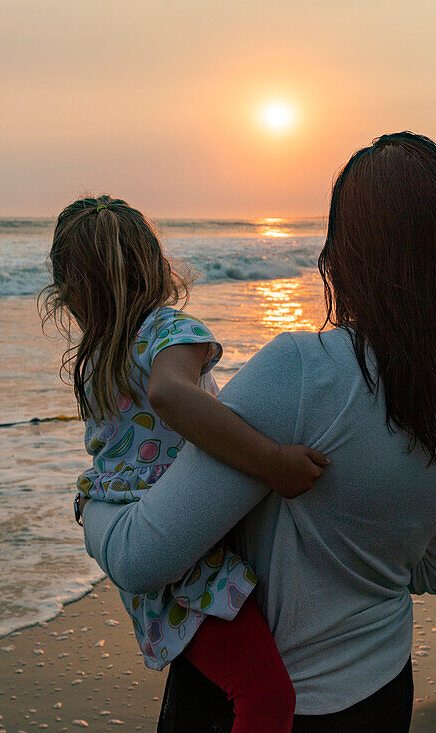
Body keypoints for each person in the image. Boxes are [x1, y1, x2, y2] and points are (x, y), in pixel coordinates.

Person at [80, 132, 436, 731]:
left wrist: (91, 507)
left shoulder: (301, 373)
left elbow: (141, 559)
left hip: (254, 704)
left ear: (344, 250)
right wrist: (370, 544)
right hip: (382, 692)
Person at [41, 196, 331, 733]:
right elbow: (172, 396)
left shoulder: (98, 356)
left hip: (141, 555)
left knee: (215, 696)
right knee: (265, 698)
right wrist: (272, 463)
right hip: (190, 557)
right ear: (153, 264)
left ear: (68, 293)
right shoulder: (167, 330)